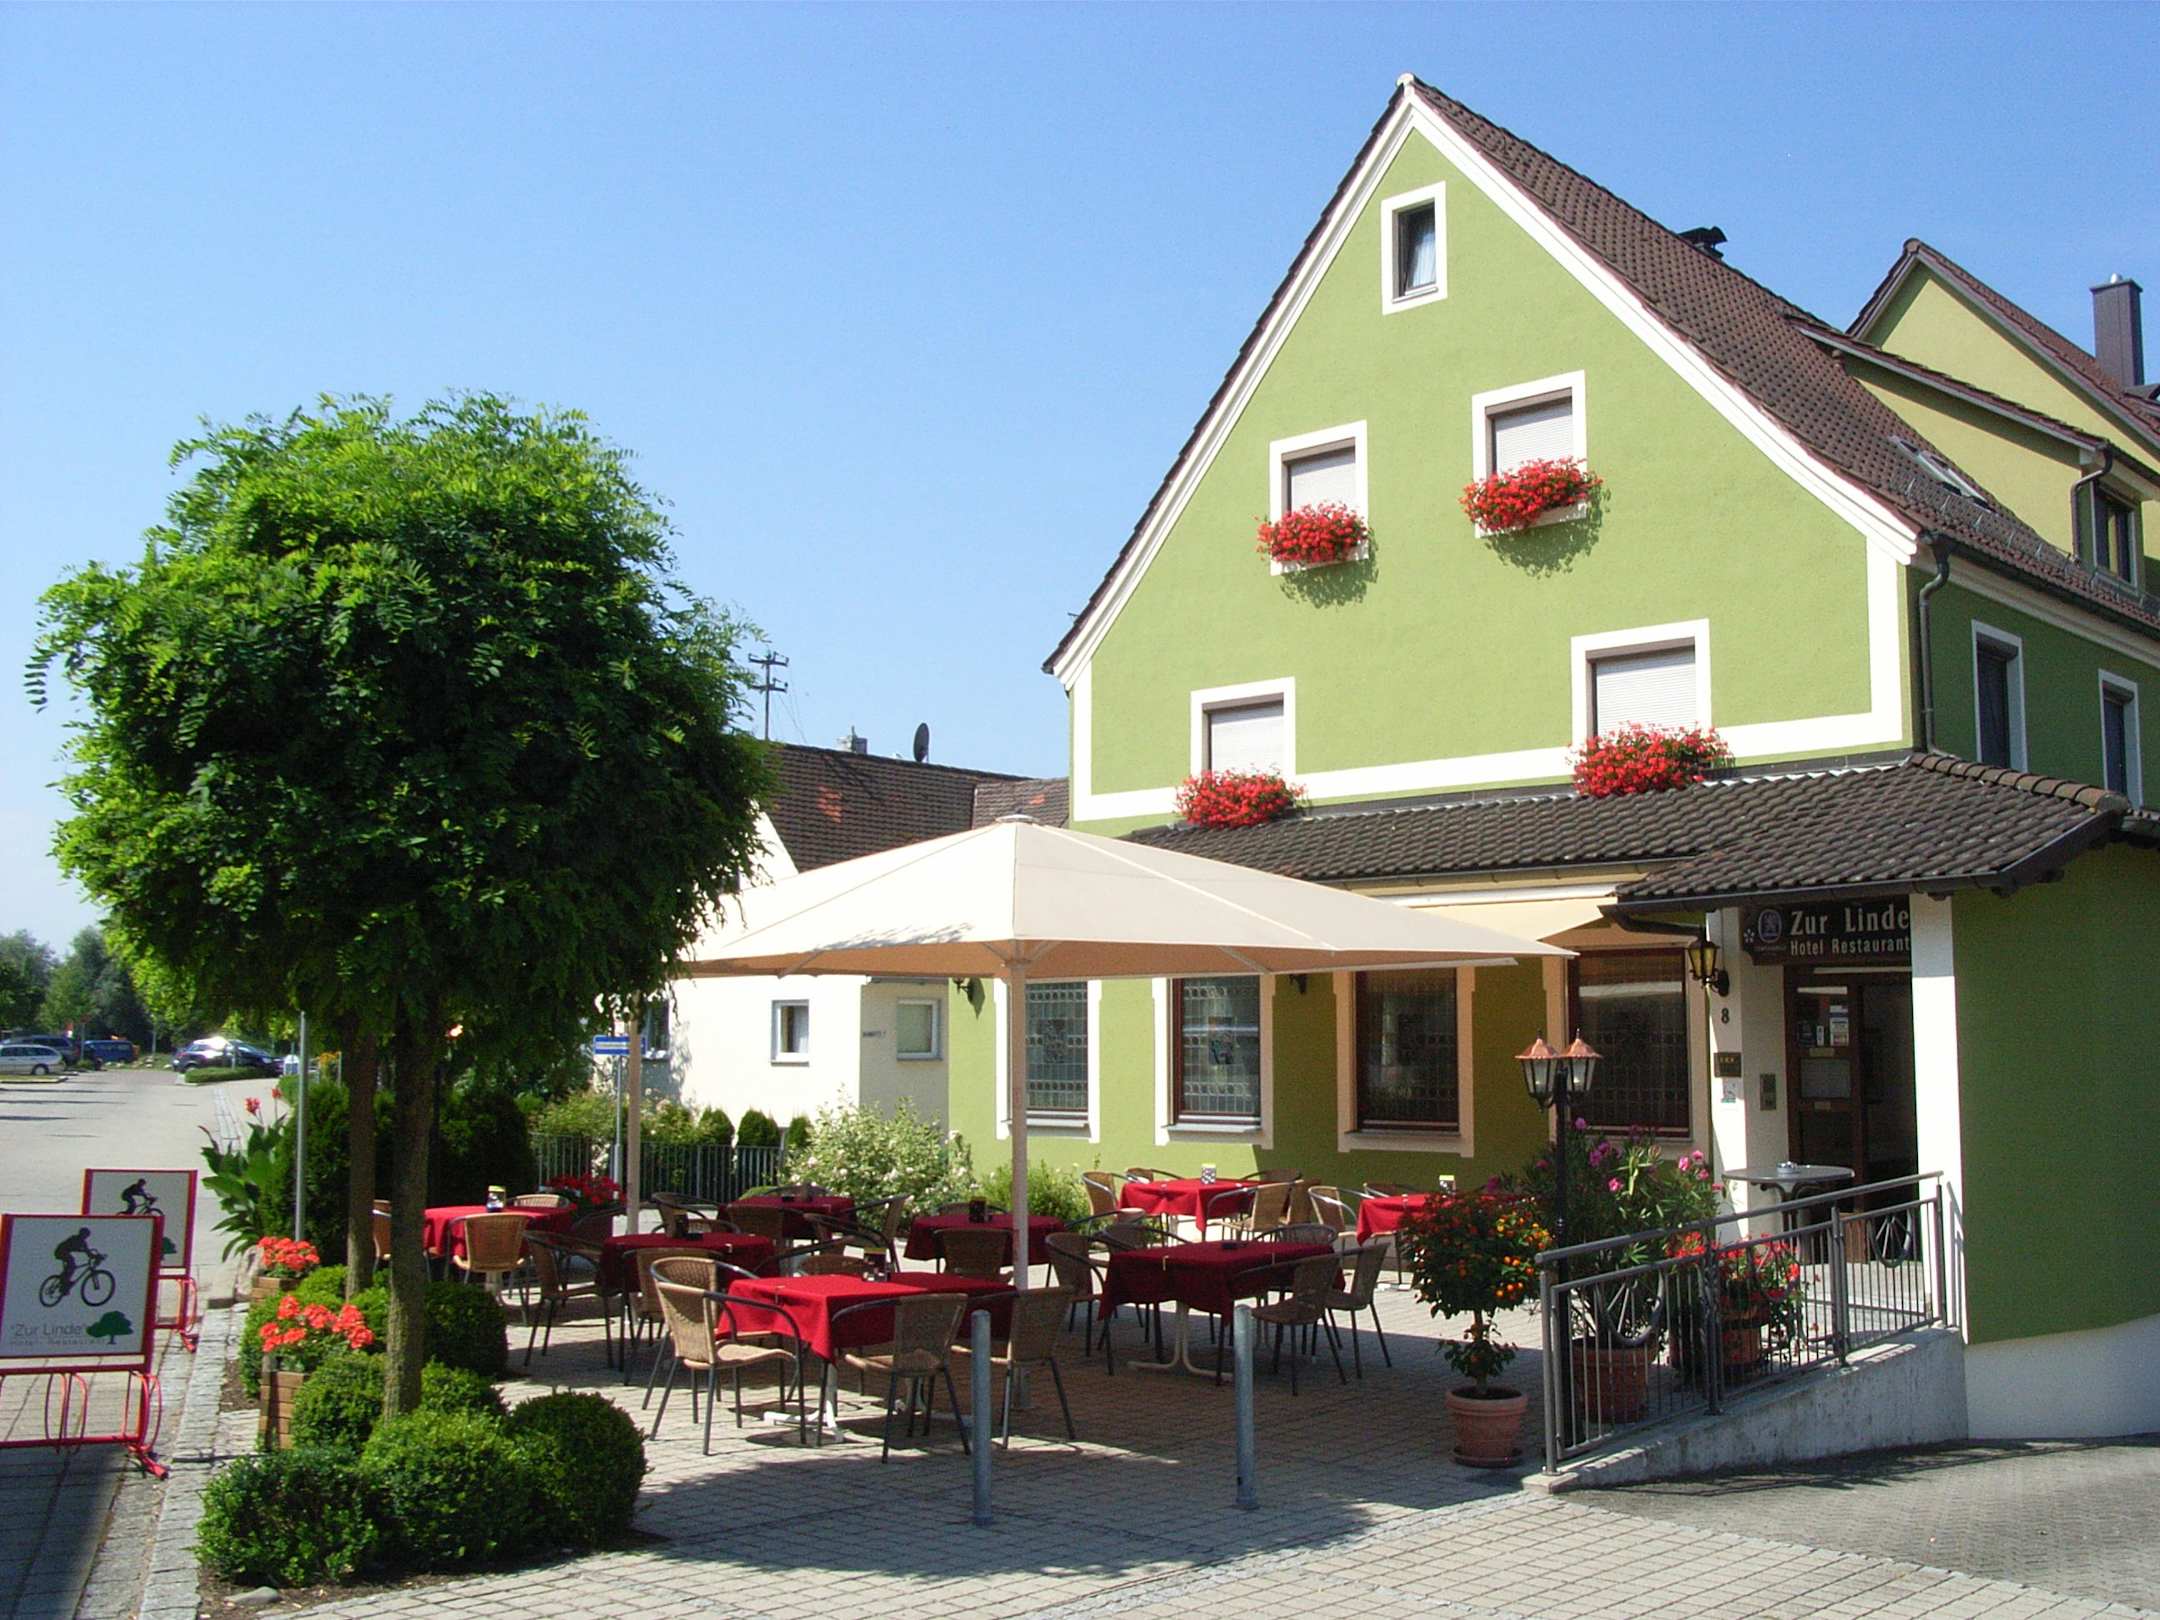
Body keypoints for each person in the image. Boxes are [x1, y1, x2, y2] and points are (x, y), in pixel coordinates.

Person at [52, 1227, 94, 1292]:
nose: (85, 1237)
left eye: (86, 1236)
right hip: (60, 1251)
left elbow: (88, 1253)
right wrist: (81, 1250)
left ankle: (64, 1283)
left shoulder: (83, 1242)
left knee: (71, 1267)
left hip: (65, 1252)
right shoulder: (74, 1238)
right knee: (71, 1263)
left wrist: (95, 1256)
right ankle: (64, 1282)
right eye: (84, 1235)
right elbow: (72, 1246)